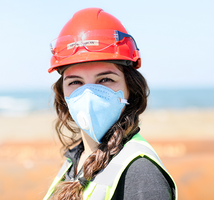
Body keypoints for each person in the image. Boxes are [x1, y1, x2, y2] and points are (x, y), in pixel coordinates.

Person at [43, 8, 178, 200]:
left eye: (105, 79)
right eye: (75, 82)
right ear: (62, 94)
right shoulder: (74, 161)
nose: (88, 94)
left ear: (130, 87)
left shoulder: (141, 175)